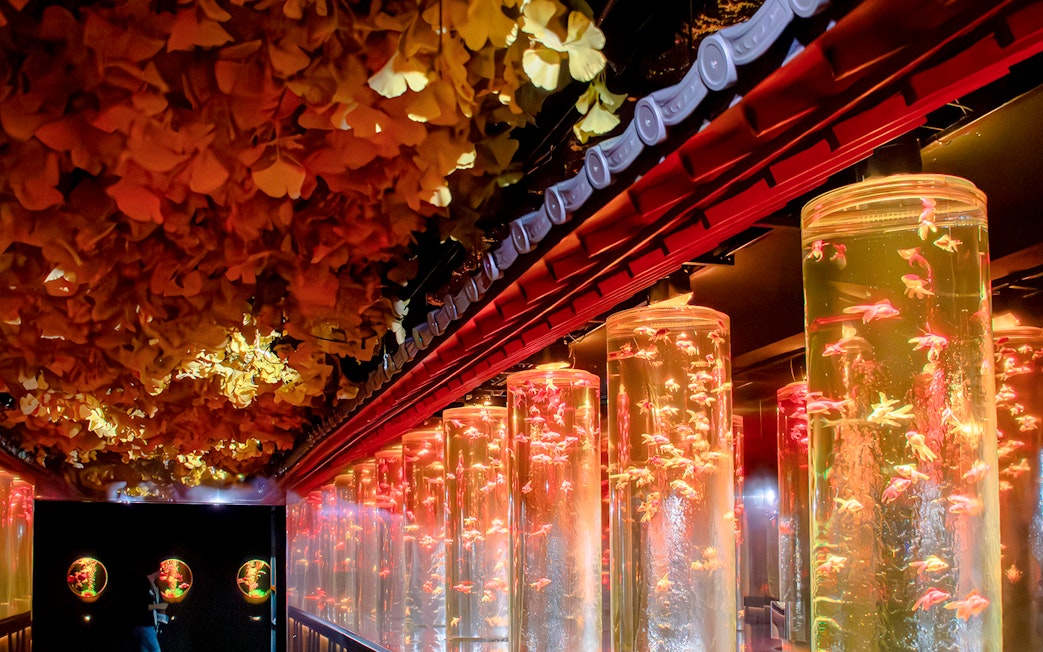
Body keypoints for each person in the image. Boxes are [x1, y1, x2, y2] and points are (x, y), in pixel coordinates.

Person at [129, 564, 169, 652]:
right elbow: (141, 605)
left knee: (145, 649)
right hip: (144, 623)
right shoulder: (142, 583)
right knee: (156, 650)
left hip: (150, 623)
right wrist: (158, 606)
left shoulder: (154, 585)